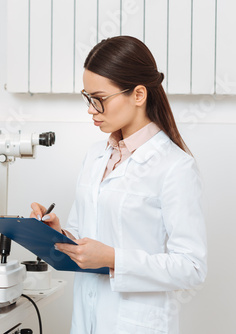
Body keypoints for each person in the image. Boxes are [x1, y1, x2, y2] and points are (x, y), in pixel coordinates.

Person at [31, 36, 207, 333]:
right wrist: (58, 233)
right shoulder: (95, 156)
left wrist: (114, 259)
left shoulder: (175, 167)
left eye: (99, 98)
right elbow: (86, 240)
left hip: (137, 323)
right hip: (87, 318)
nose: (90, 109)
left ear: (139, 94)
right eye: (87, 97)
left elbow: (192, 267)